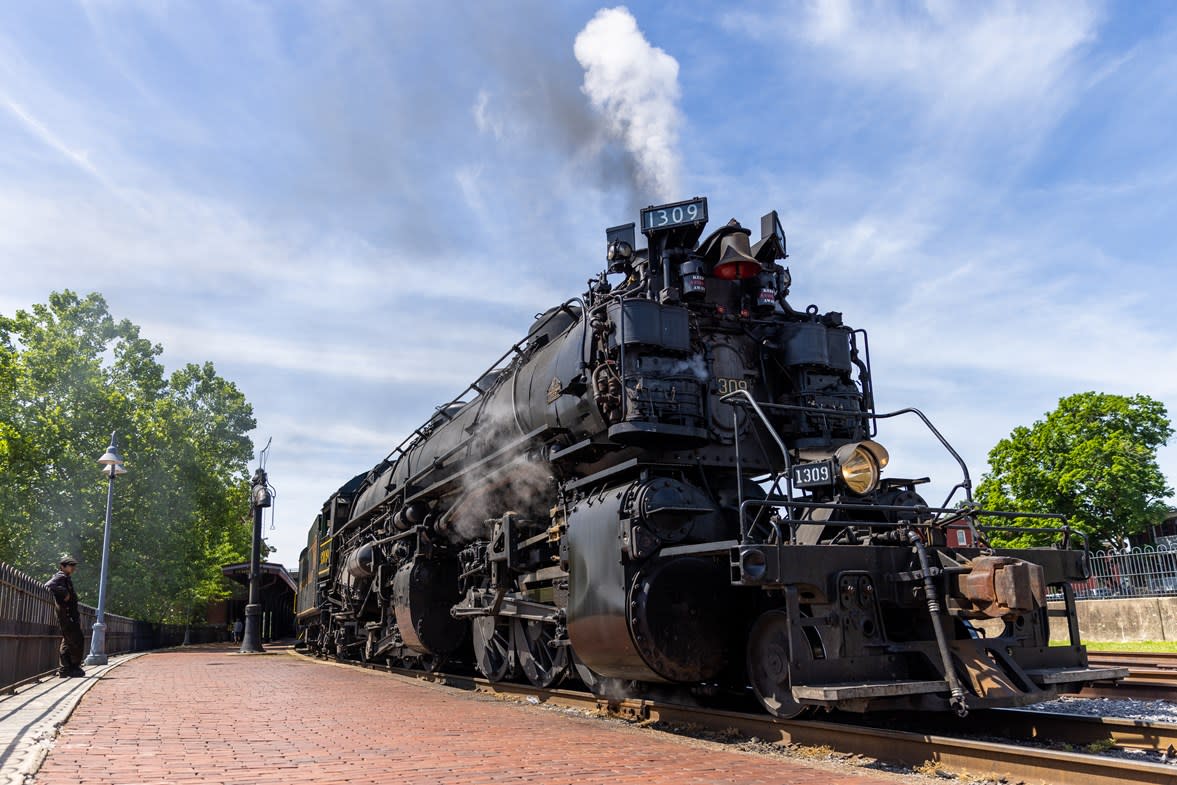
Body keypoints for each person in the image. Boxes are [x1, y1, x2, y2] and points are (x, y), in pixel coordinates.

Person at [44, 555, 85, 678]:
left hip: (69, 615)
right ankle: (71, 668)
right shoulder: (60, 576)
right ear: (62, 566)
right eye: (70, 565)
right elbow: (49, 584)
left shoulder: (66, 578)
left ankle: (65, 669)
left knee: (68, 641)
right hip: (66, 615)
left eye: (74, 566)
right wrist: (64, 592)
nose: (73, 568)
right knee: (76, 640)